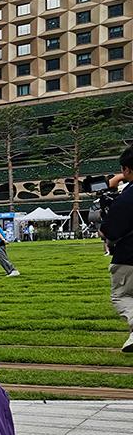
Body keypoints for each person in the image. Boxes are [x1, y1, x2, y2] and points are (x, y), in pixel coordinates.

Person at [99, 146, 133, 353]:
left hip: (128, 257)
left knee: (121, 295)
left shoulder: (127, 198)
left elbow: (109, 231)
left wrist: (109, 192)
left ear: (126, 169)